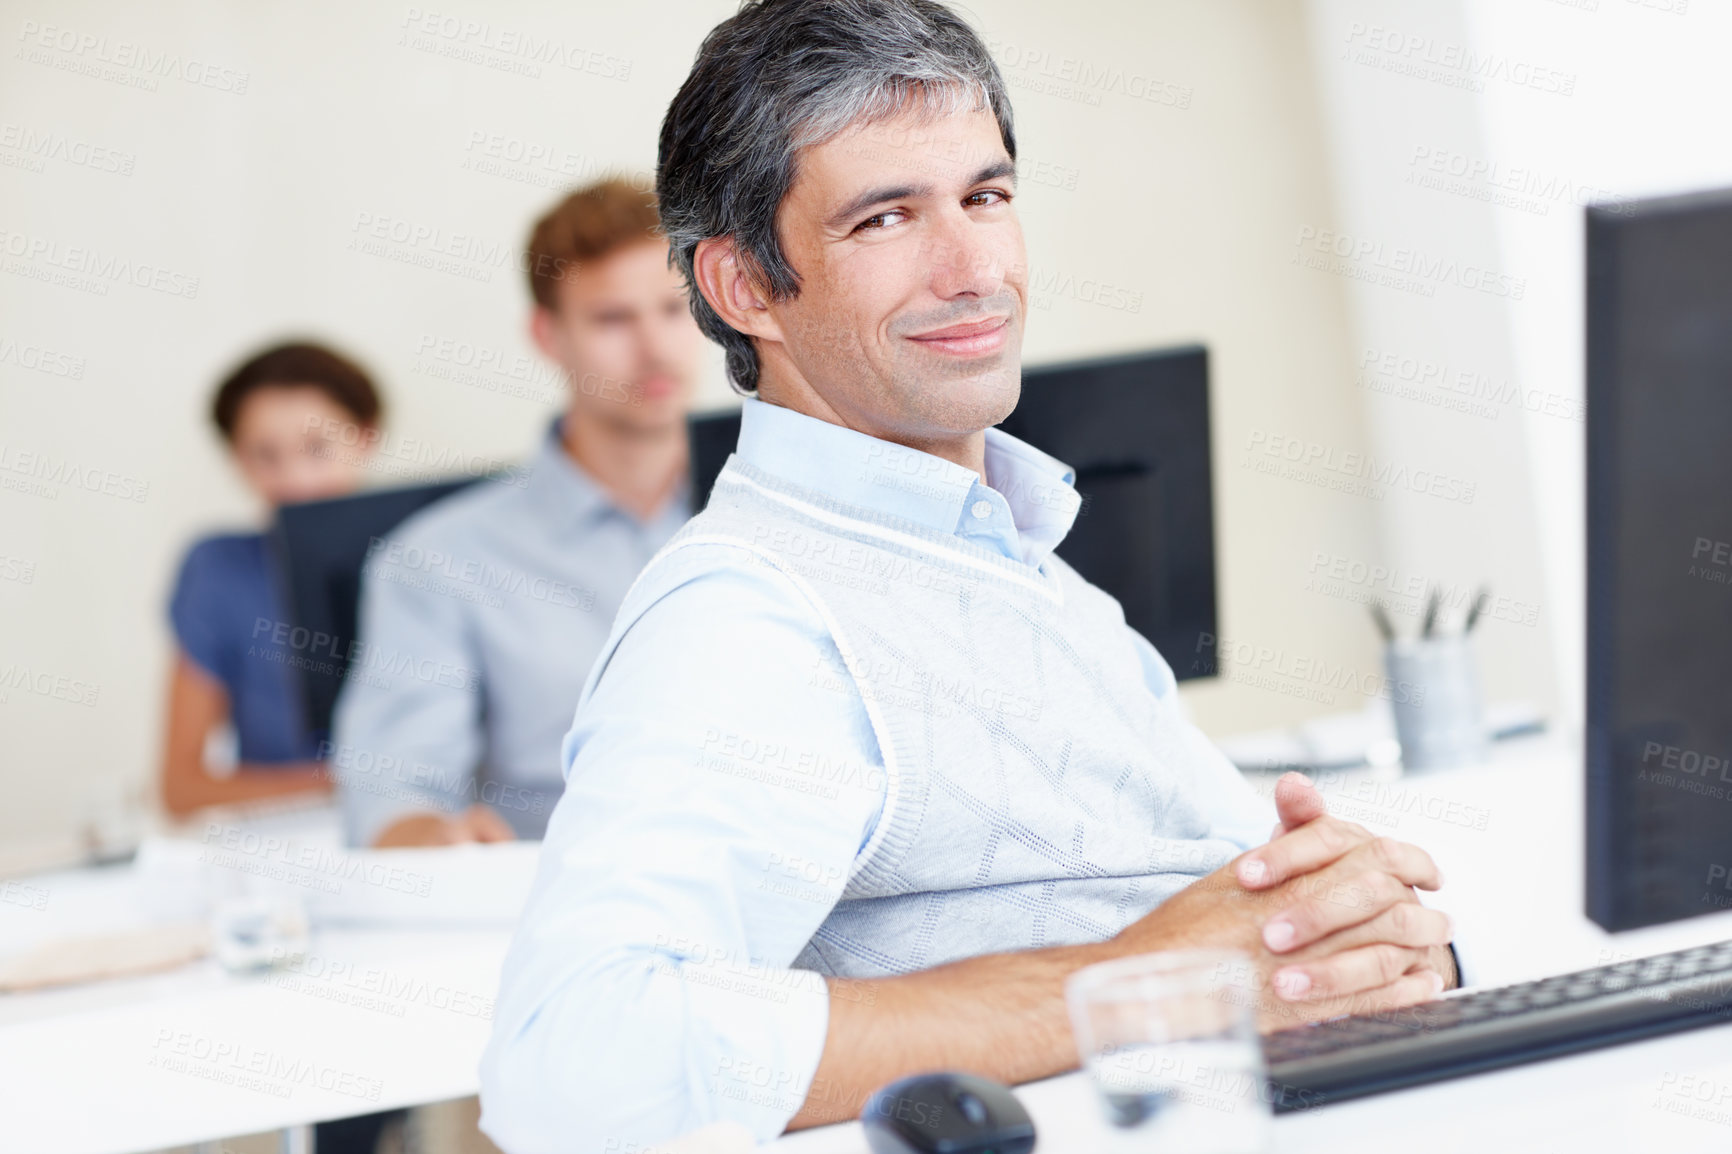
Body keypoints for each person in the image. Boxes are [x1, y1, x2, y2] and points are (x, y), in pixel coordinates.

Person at [477, 2, 1463, 1150]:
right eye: (885, 216)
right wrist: (1135, 977)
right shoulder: (752, 616)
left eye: (985, 196)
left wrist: (1360, 928)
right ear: (746, 288)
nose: (974, 268)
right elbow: (571, 1063)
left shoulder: (1013, 559)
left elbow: (1225, 914)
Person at [330, 176, 705, 848]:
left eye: (675, 310)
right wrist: (437, 841)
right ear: (547, 335)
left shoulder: (785, 508)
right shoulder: (438, 560)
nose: (653, 347)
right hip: (565, 899)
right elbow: (392, 801)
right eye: (612, 319)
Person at [160, 342, 382, 818]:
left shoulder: (432, 558)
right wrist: (345, 784)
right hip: (280, 849)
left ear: (366, 438)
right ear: (235, 458)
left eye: (317, 449)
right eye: (264, 454)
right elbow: (181, 789)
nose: (295, 480)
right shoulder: (217, 570)